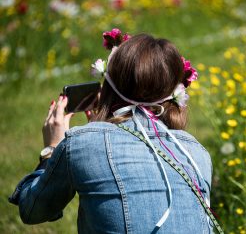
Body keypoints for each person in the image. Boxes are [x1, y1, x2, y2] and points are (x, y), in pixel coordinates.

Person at [9, 31, 220, 233]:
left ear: (108, 86)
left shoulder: (82, 143)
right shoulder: (196, 153)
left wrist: (52, 149)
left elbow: (32, 211)